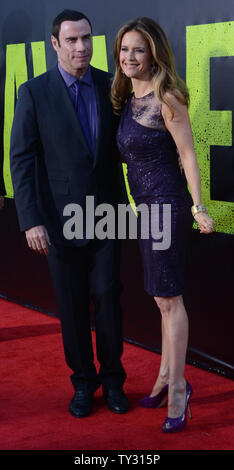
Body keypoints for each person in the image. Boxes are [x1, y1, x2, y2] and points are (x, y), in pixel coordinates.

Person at [10, 9, 129, 418]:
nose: (82, 47)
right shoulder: (34, 92)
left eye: (87, 39)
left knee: (108, 298)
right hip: (58, 221)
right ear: (55, 44)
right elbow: (21, 160)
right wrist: (30, 220)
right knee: (73, 305)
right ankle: (84, 383)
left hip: (109, 216)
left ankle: (114, 381)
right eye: (72, 40)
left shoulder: (111, 84)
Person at [112, 17, 214, 432]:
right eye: (124, 50)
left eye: (138, 49)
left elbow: (188, 155)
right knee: (161, 299)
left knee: (171, 301)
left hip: (168, 207)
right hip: (145, 210)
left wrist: (197, 207)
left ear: (154, 54)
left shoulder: (166, 97)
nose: (129, 57)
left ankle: (178, 390)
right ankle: (164, 377)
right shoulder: (127, 97)